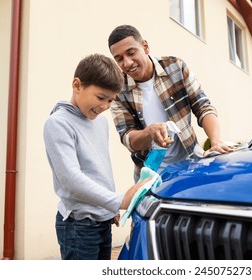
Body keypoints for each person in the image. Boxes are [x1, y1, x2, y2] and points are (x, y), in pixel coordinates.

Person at [43, 54, 149, 260]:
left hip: (103, 220)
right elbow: (71, 180)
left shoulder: (100, 122)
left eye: (111, 100)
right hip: (78, 226)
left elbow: (100, 169)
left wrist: (109, 207)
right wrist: (118, 200)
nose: (105, 106)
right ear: (77, 85)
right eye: (101, 98)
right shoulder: (58, 124)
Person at [108, 25, 233, 181]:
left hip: (190, 165)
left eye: (131, 53)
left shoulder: (175, 67)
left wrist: (215, 141)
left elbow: (202, 106)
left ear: (145, 47)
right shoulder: (118, 91)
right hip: (151, 176)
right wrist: (149, 132)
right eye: (119, 58)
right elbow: (127, 138)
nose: (127, 63)